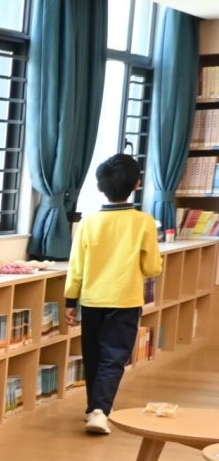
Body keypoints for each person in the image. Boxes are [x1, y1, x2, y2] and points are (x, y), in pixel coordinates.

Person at [68, 152, 164, 435]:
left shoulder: (88, 222)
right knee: (114, 357)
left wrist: (70, 300)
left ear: (100, 186)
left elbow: (76, 267)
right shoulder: (144, 222)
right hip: (125, 299)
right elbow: (152, 267)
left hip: (91, 299)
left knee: (93, 355)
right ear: (137, 184)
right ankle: (100, 411)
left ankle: (94, 409)